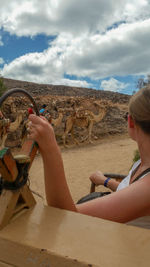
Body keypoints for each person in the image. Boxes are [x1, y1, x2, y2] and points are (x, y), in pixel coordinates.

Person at [28, 86, 150, 226]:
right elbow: (131, 194)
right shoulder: (141, 164)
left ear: (131, 122)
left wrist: (49, 147)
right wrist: (106, 181)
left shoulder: (147, 188)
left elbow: (65, 217)